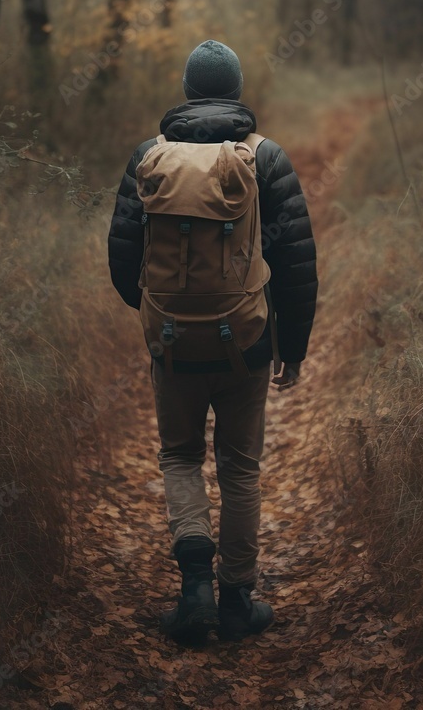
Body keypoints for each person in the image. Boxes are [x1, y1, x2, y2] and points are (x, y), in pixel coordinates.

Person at [107, 39, 318, 643]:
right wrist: (292, 347)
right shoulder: (265, 157)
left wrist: (154, 312)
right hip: (246, 341)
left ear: (185, 89)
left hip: (171, 341)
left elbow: (123, 258)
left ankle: (194, 588)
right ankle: (236, 602)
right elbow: (296, 260)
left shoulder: (149, 157)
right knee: (240, 466)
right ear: (237, 90)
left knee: (179, 457)